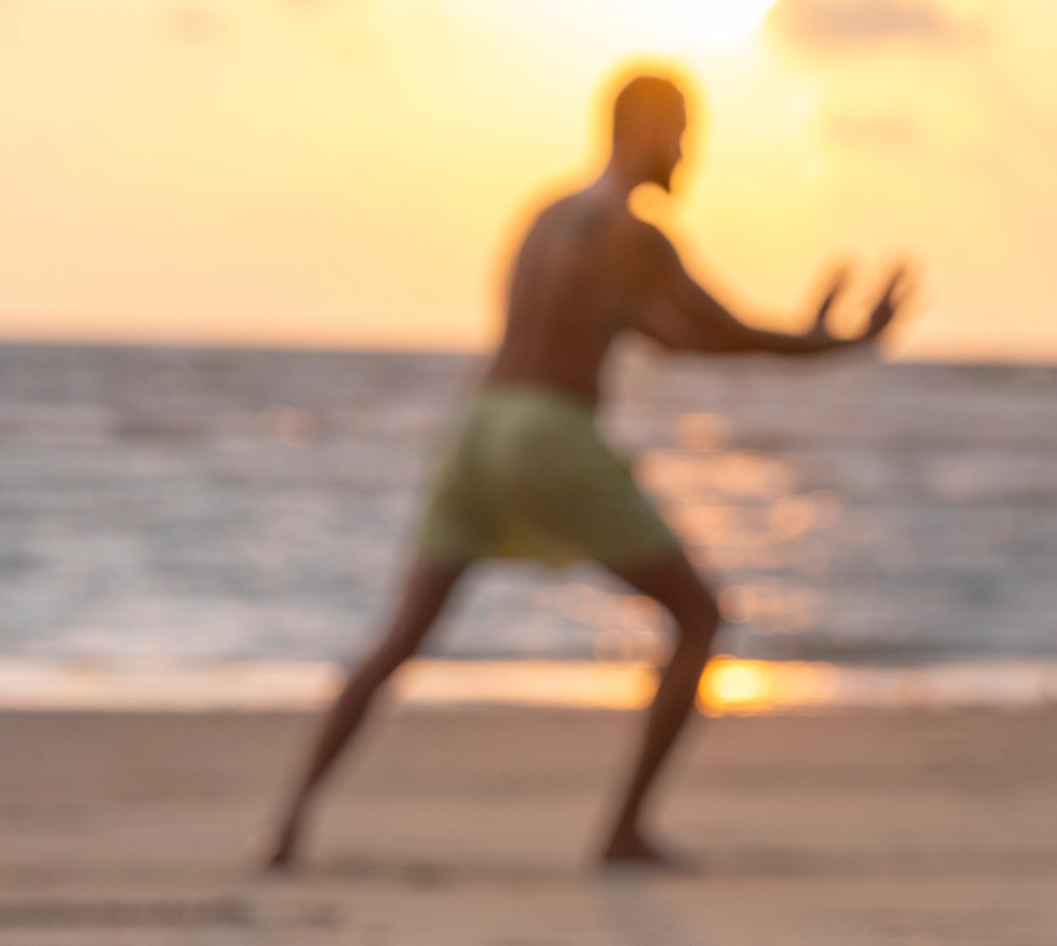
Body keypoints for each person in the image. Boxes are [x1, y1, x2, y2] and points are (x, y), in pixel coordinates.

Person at [260, 70, 908, 870]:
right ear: (640, 131)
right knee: (700, 617)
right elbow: (724, 328)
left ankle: (289, 824)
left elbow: (673, 336)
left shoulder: (547, 216)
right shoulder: (633, 234)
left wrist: (807, 337)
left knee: (398, 639)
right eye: (680, 136)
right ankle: (624, 831)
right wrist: (837, 343)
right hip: (549, 433)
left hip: (477, 430)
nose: (688, 157)